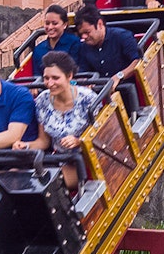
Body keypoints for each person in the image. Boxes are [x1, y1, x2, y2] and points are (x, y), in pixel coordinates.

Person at [13, 51, 99, 189]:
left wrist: (79, 141)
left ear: (69, 76)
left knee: (49, 185)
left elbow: (102, 136)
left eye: (55, 78)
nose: (50, 83)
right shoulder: (42, 100)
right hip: (57, 159)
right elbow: (44, 141)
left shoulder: (88, 99)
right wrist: (25, 146)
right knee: (18, 178)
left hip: (87, 158)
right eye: (46, 78)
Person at [72, 6, 142, 82]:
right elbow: (83, 71)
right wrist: (86, 81)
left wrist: (119, 76)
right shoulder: (84, 47)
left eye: (87, 32)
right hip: (100, 86)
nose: (84, 37)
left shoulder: (122, 36)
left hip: (127, 85)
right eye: (81, 34)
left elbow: (138, 61)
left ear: (100, 24)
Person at [31, 4, 83, 78]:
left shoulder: (74, 43)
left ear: (64, 24)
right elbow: (37, 76)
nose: (50, 27)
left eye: (54, 23)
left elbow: (76, 71)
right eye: (47, 23)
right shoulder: (38, 49)